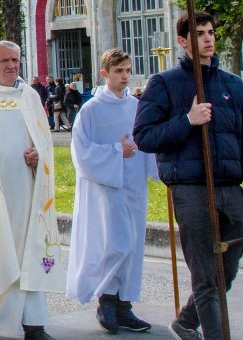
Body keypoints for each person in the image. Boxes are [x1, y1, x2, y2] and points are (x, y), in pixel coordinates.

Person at [133, 11, 243, 340]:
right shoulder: (165, 84)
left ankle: (185, 322)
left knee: (225, 275)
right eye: (200, 33)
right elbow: (145, 136)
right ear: (183, 41)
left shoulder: (233, 86)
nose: (208, 38)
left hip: (230, 189)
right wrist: (187, 120)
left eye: (210, 32)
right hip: (191, 189)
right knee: (207, 279)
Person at [0, 41, 63, 340]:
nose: (11, 66)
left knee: (28, 250)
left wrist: (37, 156)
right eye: (4, 60)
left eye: (15, 60)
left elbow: (44, 145)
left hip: (26, 190)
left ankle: (33, 322)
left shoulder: (30, 97)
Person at [66, 50, 158, 334]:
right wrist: (117, 151)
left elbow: (147, 141)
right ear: (105, 73)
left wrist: (164, 171)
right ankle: (106, 299)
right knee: (113, 243)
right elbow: (81, 153)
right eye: (119, 71)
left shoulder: (137, 106)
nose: (125, 76)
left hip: (133, 186)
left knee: (132, 244)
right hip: (105, 189)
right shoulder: (91, 110)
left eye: (128, 70)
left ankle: (124, 304)